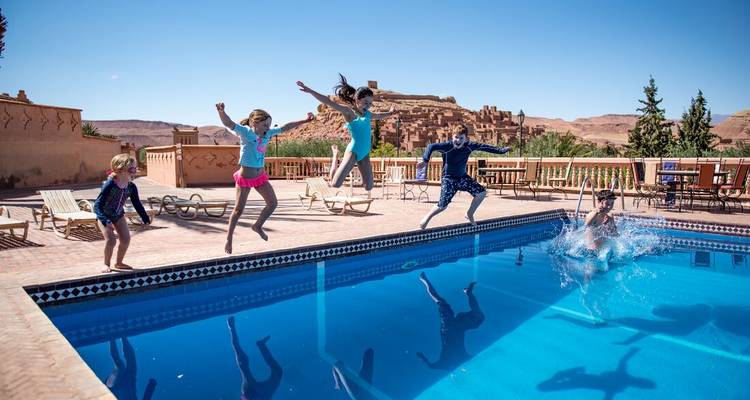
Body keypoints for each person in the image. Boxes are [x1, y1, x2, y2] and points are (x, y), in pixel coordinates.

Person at [216, 103, 314, 253]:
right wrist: (222, 112)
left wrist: (304, 121)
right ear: (255, 122)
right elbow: (229, 123)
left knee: (273, 203)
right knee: (238, 211)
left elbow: (286, 126)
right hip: (245, 178)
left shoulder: (267, 134)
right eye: (265, 125)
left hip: (260, 177)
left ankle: (257, 226)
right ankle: (229, 239)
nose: (268, 128)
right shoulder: (246, 132)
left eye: (269, 125)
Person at [297, 75, 396, 195]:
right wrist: (310, 90)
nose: (368, 106)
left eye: (370, 103)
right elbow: (328, 101)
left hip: (365, 152)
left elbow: (380, 115)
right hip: (353, 151)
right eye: (365, 102)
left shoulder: (368, 114)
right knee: (335, 184)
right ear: (357, 99)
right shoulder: (348, 112)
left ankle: (339, 165)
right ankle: (335, 157)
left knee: (369, 186)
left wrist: (390, 112)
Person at [418, 124, 510, 229]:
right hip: (449, 179)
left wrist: (501, 151)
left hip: (462, 178)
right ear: (452, 137)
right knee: (442, 206)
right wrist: (425, 160)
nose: (458, 140)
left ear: (466, 138)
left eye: (461, 138)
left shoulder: (469, 146)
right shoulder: (447, 146)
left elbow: (485, 147)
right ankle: (427, 218)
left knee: (481, 193)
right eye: (456, 137)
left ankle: (469, 213)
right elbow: (431, 146)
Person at [94, 154, 151, 273]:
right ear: (120, 170)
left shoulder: (131, 187)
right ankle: (106, 264)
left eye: (135, 168)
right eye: (132, 169)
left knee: (125, 239)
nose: (134, 171)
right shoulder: (110, 184)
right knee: (111, 241)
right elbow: (97, 205)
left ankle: (119, 263)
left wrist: (145, 218)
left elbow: (137, 204)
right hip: (104, 215)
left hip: (118, 215)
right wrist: (104, 220)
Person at [415, 272, 485, 370]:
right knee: (480, 318)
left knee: (441, 302)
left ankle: (425, 281)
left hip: (448, 327)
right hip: (459, 328)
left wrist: (422, 358)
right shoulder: (461, 360)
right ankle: (469, 293)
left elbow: (431, 366)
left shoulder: (446, 364)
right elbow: (431, 366)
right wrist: (422, 358)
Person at [227, 316, 282, 400]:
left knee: (244, 365)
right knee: (278, 372)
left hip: (255, 394)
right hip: (263, 394)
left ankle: (232, 327)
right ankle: (261, 345)